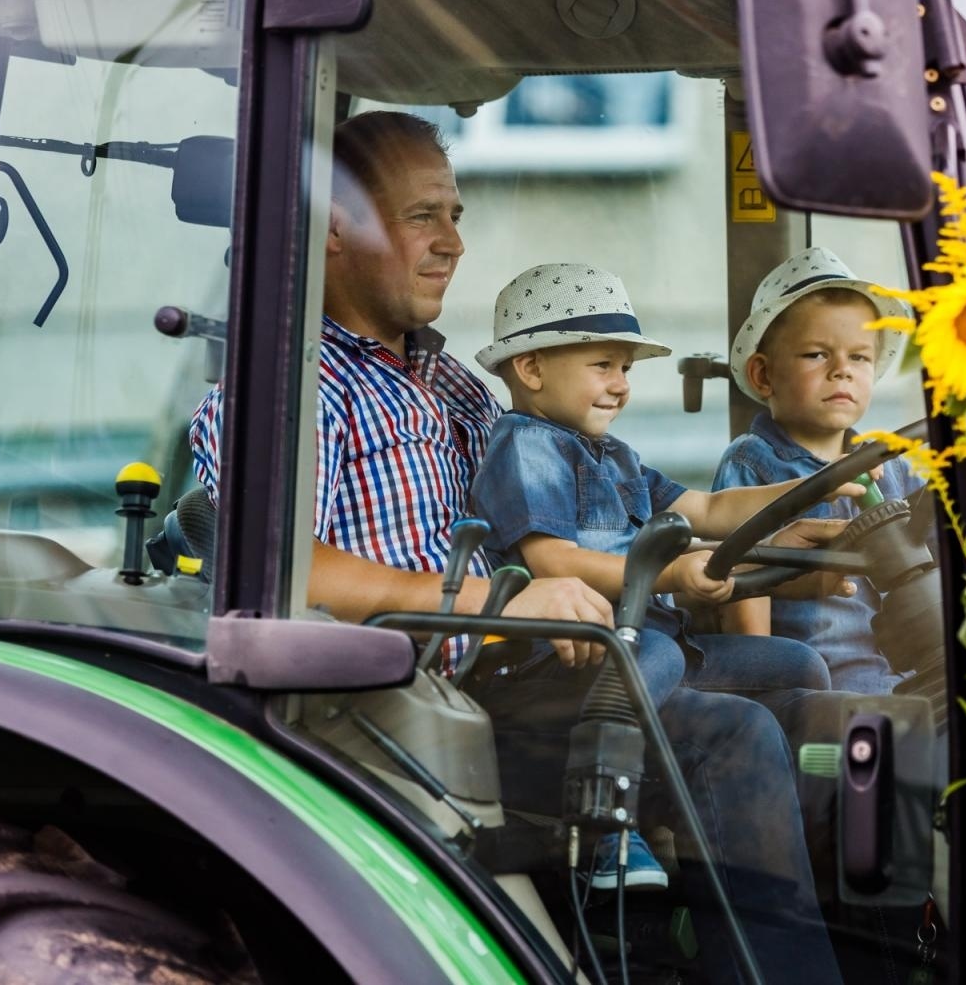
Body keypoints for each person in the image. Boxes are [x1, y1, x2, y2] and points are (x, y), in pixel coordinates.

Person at [189, 111, 844, 985]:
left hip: (531, 667)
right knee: (733, 736)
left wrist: (804, 515)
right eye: (425, 216)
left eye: (456, 216)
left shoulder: (455, 385)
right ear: (333, 227)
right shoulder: (289, 385)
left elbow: (595, 501)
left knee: (801, 695)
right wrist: (502, 604)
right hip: (402, 713)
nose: (453, 242)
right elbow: (284, 562)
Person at [467, 261, 841, 888]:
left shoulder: (614, 455)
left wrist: (817, 483)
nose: (620, 386)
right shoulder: (526, 445)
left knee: (800, 667)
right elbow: (551, 562)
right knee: (660, 651)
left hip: (655, 647)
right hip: (574, 654)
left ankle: (799, 835)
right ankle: (602, 814)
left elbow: (712, 509)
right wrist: (671, 575)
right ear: (531, 369)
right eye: (602, 365)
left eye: (626, 369)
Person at [713, 247, 923, 695]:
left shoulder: (893, 463)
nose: (842, 371)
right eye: (816, 355)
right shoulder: (753, 462)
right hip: (818, 682)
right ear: (764, 376)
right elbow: (745, 581)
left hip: (907, 667)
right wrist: (763, 685)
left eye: (860, 358)